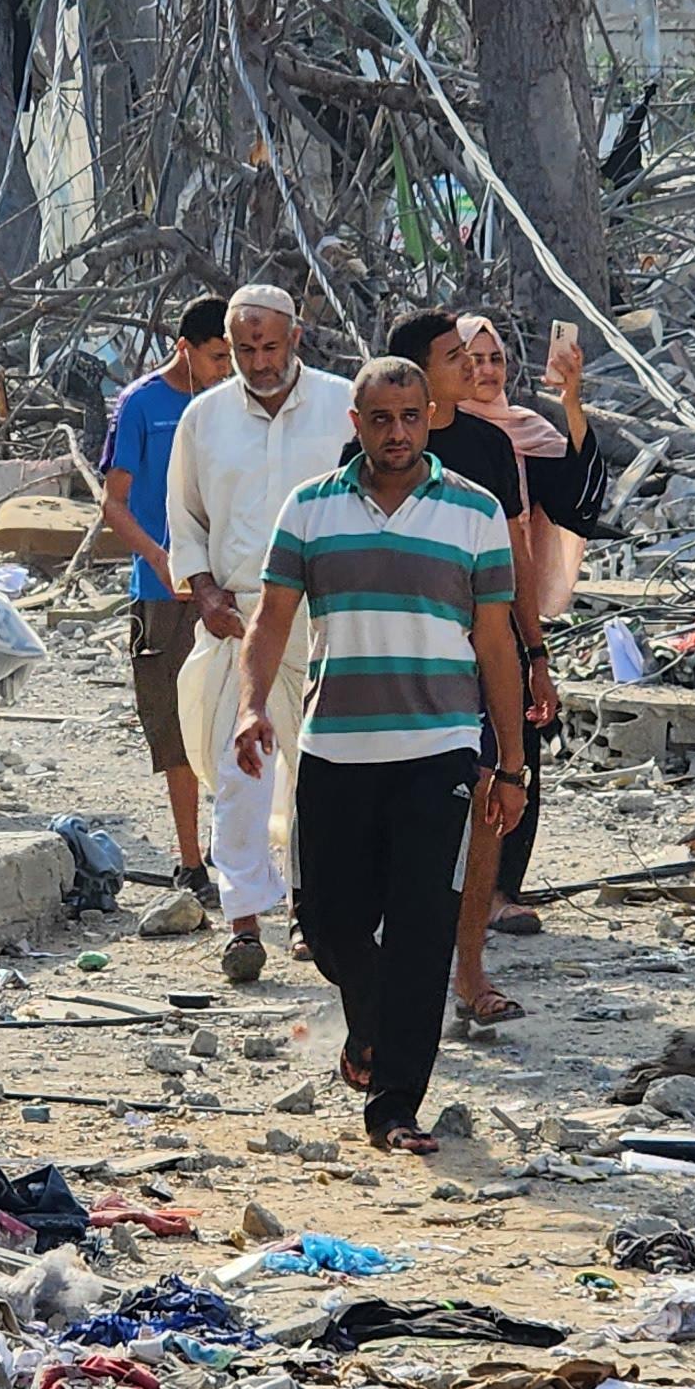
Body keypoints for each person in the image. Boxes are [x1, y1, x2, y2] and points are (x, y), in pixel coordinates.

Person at [231, 354, 527, 1157]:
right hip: (333, 747)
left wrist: (511, 765)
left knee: (425, 927)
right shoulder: (311, 509)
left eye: (408, 416)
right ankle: (370, 1019)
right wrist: (253, 706)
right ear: (355, 423)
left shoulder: (474, 511)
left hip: (438, 749)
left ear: (429, 416)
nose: (395, 432)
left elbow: (496, 643)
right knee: (328, 927)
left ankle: (395, 1104)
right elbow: (271, 622)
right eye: (378, 418)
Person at [165, 282, 354, 985]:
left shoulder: (342, 404)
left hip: (328, 617)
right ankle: (243, 920)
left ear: (295, 337)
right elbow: (184, 523)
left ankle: (315, 911)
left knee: (326, 776)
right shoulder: (203, 418)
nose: (257, 359)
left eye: (269, 345)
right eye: (244, 348)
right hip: (240, 619)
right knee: (239, 771)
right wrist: (207, 594)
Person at [390, 310, 551, 1027]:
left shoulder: (487, 443)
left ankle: (470, 972)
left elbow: (514, 554)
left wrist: (535, 652)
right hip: (396, 663)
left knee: (487, 802)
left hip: (478, 649)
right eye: (455, 354)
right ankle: (390, 976)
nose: (472, 366)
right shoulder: (374, 449)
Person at [454, 311, 612, 935]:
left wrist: (572, 402)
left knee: (514, 746)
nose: (486, 371)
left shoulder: (525, 432)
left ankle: (499, 890)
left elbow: (580, 499)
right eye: (472, 359)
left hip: (511, 610)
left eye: (495, 359)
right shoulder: (429, 435)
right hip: (442, 610)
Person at [99, 293, 231, 903]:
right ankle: (189, 860)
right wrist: (159, 556)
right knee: (173, 726)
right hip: (161, 593)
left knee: (235, 720)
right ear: (186, 348)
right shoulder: (142, 405)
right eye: (216, 356)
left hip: (230, 584)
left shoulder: (236, 405)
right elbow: (114, 503)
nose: (226, 368)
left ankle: (236, 850)